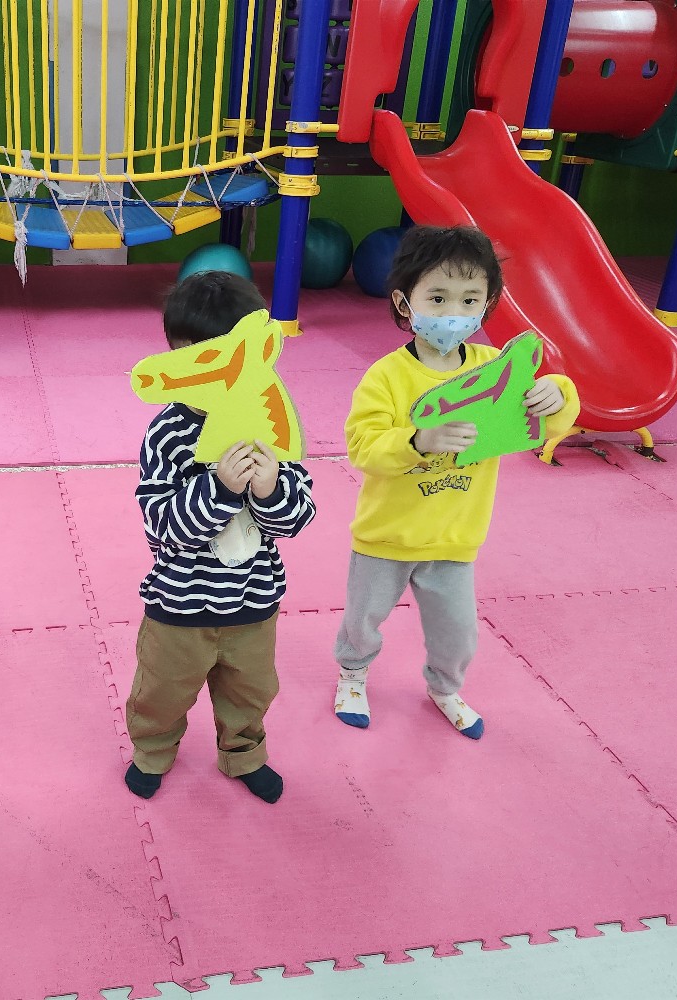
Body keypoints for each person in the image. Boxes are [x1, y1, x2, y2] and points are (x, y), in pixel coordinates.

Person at [333, 225, 579, 738]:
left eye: (469, 300)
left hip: (455, 538)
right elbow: (363, 446)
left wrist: (558, 394)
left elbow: (544, 419)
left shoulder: (493, 367)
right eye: (438, 298)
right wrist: (418, 441)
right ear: (405, 303)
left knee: (458, 632)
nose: (453, 313)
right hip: (386, 535)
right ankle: (352, 674)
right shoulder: (386, 376)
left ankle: (445, 687)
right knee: (363, 619)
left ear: (487, 305)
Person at [124, 271, 317, 804]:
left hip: (254, 604)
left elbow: (297, 519)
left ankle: (244, 754)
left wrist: (270, 487)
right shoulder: (167, 432)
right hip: (179, 607)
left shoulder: (272, 422)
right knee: (161, 692)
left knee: (250, 693)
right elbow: (161, 526)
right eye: (190, 359)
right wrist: (220, 488)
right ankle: (152, 750)